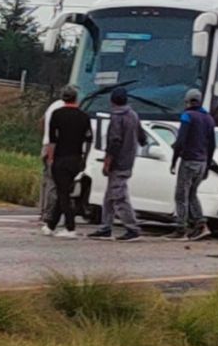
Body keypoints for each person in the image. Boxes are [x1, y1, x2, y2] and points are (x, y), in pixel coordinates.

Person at [90, 86, 145, 241]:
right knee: (109, 196)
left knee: (118, 196)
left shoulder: (116, 117)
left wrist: (107, 162)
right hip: (129, 159)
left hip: (119, 162)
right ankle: (105, 226)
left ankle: (132, 227)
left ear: (112, 101)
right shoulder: (133, 115)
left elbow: (114, 141)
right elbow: (143, 137)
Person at [43, 85, 93, 238]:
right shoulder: (84, 116)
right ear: (76, 98)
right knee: (63, 190)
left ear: (63, 98)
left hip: (61, 158)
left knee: (63, 193)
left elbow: (52, 140)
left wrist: (50, 158)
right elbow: (89, 139)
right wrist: (85, 158)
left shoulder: (57, 115)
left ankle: (70, 227)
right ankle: (51, 225)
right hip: (76, 158)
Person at [169, 89, 216, 240]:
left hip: (189, 161)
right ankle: (200, 224)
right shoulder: (209, 118)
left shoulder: (187, 116)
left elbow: (181, 141)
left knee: (181, 195)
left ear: (187, 101)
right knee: (192, 194)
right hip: (202, 162)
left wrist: (174, 160)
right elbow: (212, 145)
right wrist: (207, 165)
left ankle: (181, 228)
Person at [38, 92, 63, 227]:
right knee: (53, 182)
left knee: (47, 181)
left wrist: (45, 137)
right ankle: (49, 213)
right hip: (54, 147)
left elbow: (41, 122)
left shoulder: (53, 106)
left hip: (45, 145)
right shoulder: (63, 109)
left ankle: (43, 210)